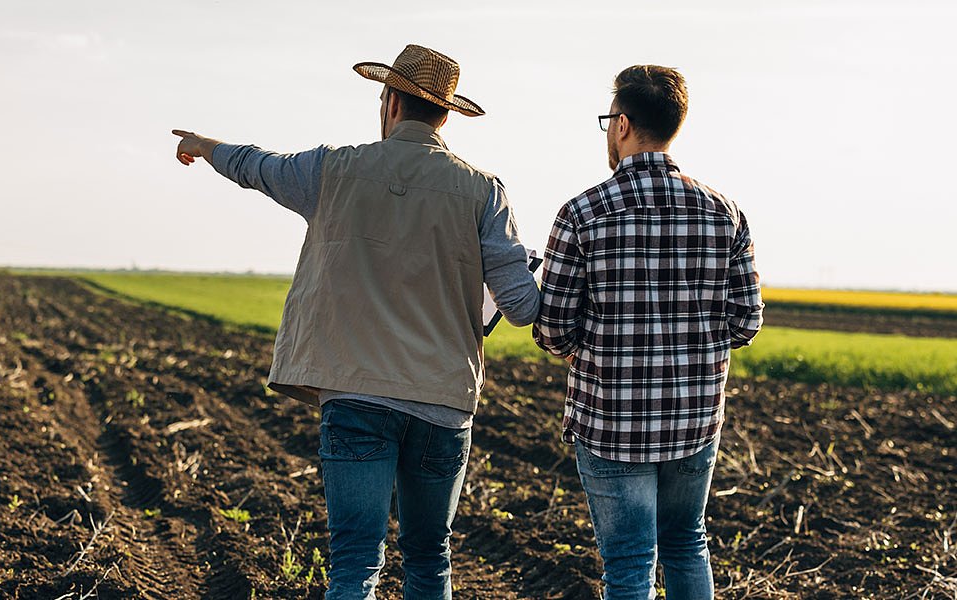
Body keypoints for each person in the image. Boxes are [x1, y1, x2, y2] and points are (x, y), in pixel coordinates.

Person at [172, 44, 539, 600]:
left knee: (354, 564)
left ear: (390, 102)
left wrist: (204, 145)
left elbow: (256, 166)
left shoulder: (332, 169)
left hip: (355, 394)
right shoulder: (484, 191)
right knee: (428, 561)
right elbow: (522, 306)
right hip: (443, 401)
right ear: (444, 115)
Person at [532, 65, 764, 599]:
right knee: (687, 543)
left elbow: (553, 329)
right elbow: (746, 321)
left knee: (630, 564)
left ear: (621, 123)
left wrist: (585, 348)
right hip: (694, 418)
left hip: (610, 422)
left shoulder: (581, 214)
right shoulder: (724, 213)